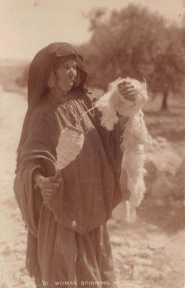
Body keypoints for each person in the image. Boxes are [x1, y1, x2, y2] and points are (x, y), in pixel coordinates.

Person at [14, 42, 137, 288]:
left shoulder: (82, 101)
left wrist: (124, 101)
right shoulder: (43, 113)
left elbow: (108, 131)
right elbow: (29, 161)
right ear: (50, 75)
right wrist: (41, 181)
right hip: (63, 210)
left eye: (74, 67)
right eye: (66, 67)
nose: (73, 72)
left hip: (89, 204)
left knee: (95, 271)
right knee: (65, 273)